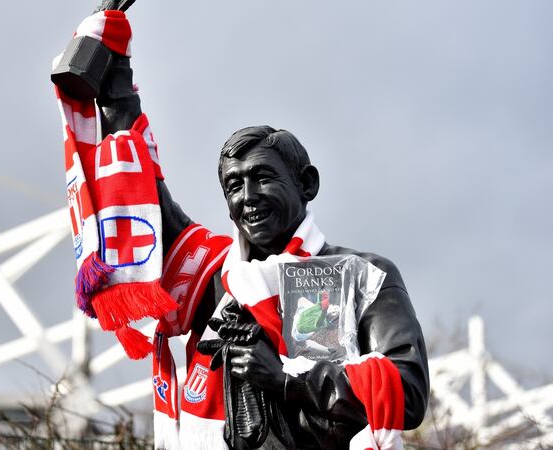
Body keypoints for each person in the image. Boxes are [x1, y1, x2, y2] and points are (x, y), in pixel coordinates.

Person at [56, 10, 429, 449]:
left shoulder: (360, 274)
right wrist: (115, 66)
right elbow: (145, 194)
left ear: (306, 184)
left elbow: (408, 392)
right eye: (234, 185)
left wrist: (289, 381)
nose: (247, 196)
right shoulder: (212, 277)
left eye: (263, 177)